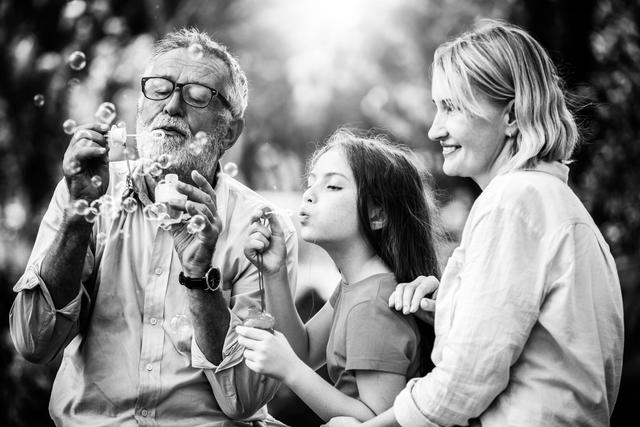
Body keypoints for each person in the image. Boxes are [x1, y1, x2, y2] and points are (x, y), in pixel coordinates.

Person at [326, 20, 624, 427]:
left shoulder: (512, 202)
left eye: (452, 107)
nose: (436, 129)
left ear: (512, 116)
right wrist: (449, 307)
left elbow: (464, 383)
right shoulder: (551, 203)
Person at [10, 28, 298, 426]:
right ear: (141, 106)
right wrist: (79, 217)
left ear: (230, 131)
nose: (172, 106)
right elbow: (33, 342)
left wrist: (199, 278)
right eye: (159, 89)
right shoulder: (87, 193)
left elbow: (245, 399)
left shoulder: (262, 229)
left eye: (198, 95)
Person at [235, 129, 440, 423]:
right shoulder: (355, 287)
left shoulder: (372, 304)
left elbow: (375, 419)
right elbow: (304, 351)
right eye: (311, 182)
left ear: (377, 215)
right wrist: (275, 273)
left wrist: (290, 369)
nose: (309, 194)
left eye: (332, 187)